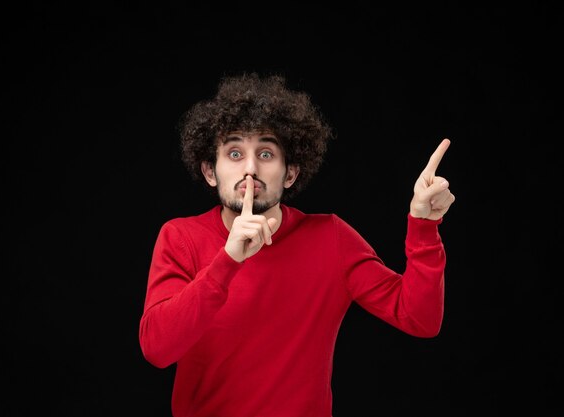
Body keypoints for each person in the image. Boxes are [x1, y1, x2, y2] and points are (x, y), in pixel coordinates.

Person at [138, 72, 455, 417]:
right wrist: (227, 260)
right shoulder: (180, 237)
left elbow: (420, 319)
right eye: (233, 152)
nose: (249, 169)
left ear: (290, 174)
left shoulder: (330, 237)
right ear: (210, 171)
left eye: (266, 153)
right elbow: (157, 349)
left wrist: (423, 226)